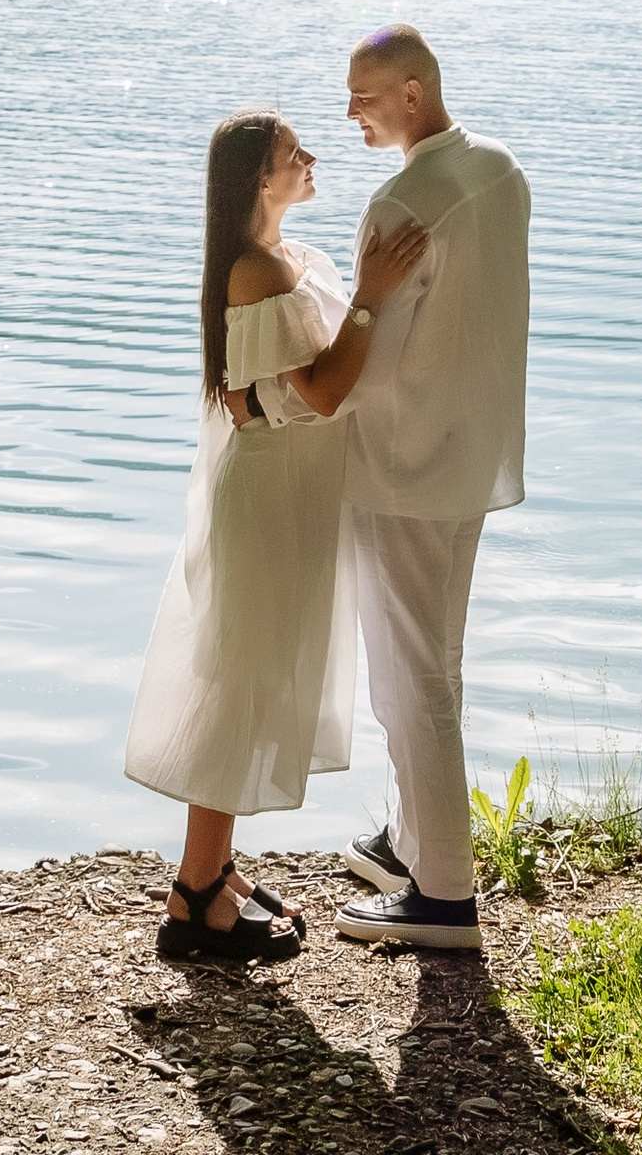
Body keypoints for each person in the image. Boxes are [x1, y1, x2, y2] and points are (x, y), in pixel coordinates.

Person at [232, 23, 530, 955]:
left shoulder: (403, 203)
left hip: (402, 468)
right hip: (473, 453)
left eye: (362, 95)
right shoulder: (498, 170)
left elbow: (358, 369)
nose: (349, 112)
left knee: (411, 681)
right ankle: (412, 845)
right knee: (436, 659)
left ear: (411, 93)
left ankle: (443, 899)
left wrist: (261, 398)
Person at [124, 110, 429, 966]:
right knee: (237, 678)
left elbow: (298, 386)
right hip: (262, 499)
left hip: (287, 491)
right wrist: (372, 293)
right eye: (297, 152)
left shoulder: (295, 260)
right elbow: (328, 392)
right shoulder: (255, 269)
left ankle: (214, 871)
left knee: (249, 671)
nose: (312, 158)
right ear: (263, 176)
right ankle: (193, 898)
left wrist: (362, 298)